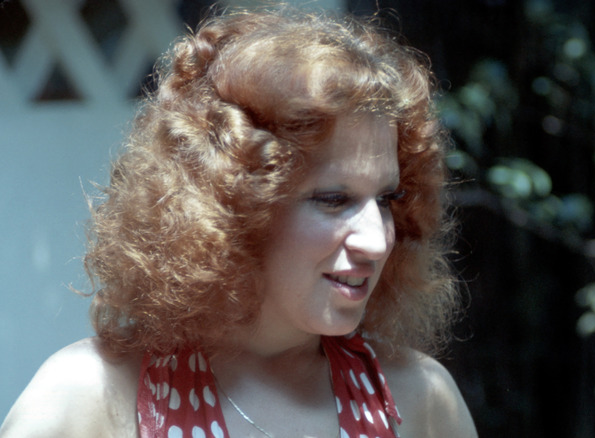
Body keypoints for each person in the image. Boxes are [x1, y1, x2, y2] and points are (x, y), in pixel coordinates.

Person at [0, 6, 477, 438]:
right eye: (334, 199)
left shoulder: (420, 402)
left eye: (388, 199)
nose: (376, 241)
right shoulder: (91, 398)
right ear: (232, 206)